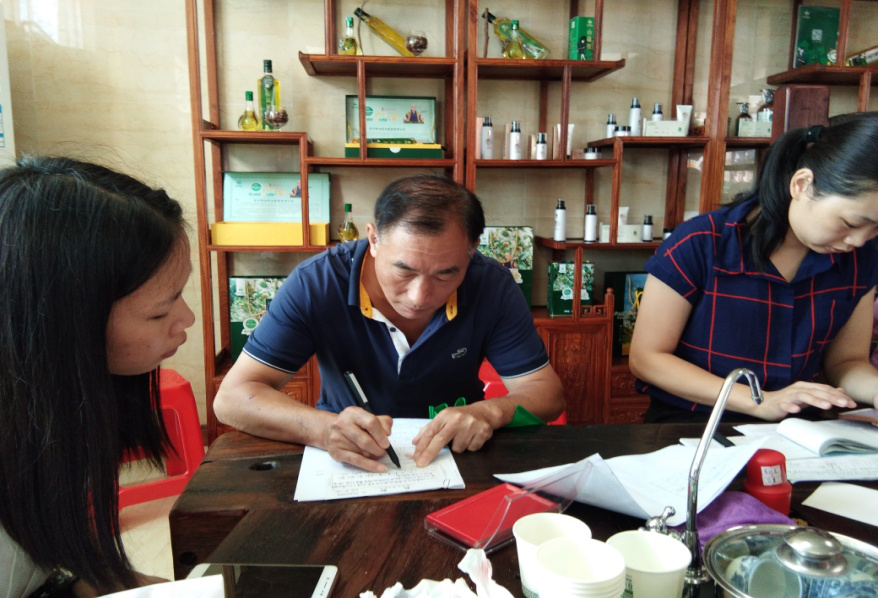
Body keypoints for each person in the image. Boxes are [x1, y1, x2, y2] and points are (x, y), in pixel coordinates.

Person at [214, 175, 565, 472]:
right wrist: (323, 429)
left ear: (472, 250)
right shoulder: (316, 284)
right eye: (404, 271)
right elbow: (232, 398)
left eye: (445, 274)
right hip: (344, 457)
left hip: (456, 458)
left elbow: (547, 394)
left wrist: (491, 412)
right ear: (374, 239)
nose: (419, 296)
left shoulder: (491, 285)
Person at [0, 157, 195, 596]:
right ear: (67, 323)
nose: (187, 319)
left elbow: (50, 569)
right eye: (160, 312)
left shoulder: (61, 410)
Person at [629, 112, 878, 422]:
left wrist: (874, 389)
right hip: (696, 426)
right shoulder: (701, 242)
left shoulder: (861, 258)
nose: (859, 240)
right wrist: (760, 401)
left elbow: (846, 361)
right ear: (802, 184)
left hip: (798, 431)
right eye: (852, 223)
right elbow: (647, 358)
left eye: (875, 230)